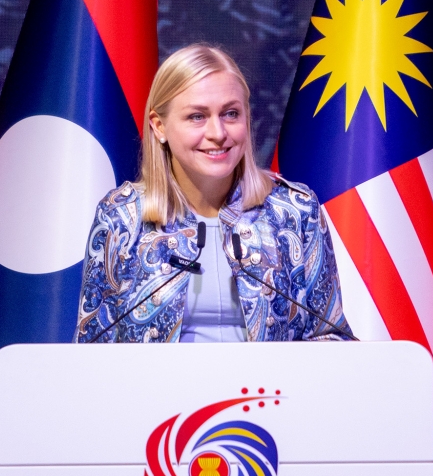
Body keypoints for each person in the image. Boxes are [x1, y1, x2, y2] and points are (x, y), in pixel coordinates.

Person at [74, 44, 352, 343]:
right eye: (197, 116)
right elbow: (91, 348)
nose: (218, 133)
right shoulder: (121, 216)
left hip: (265, 389)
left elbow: (330, 340)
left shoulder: (296, 210)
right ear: (159, 126)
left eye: (231, 114)